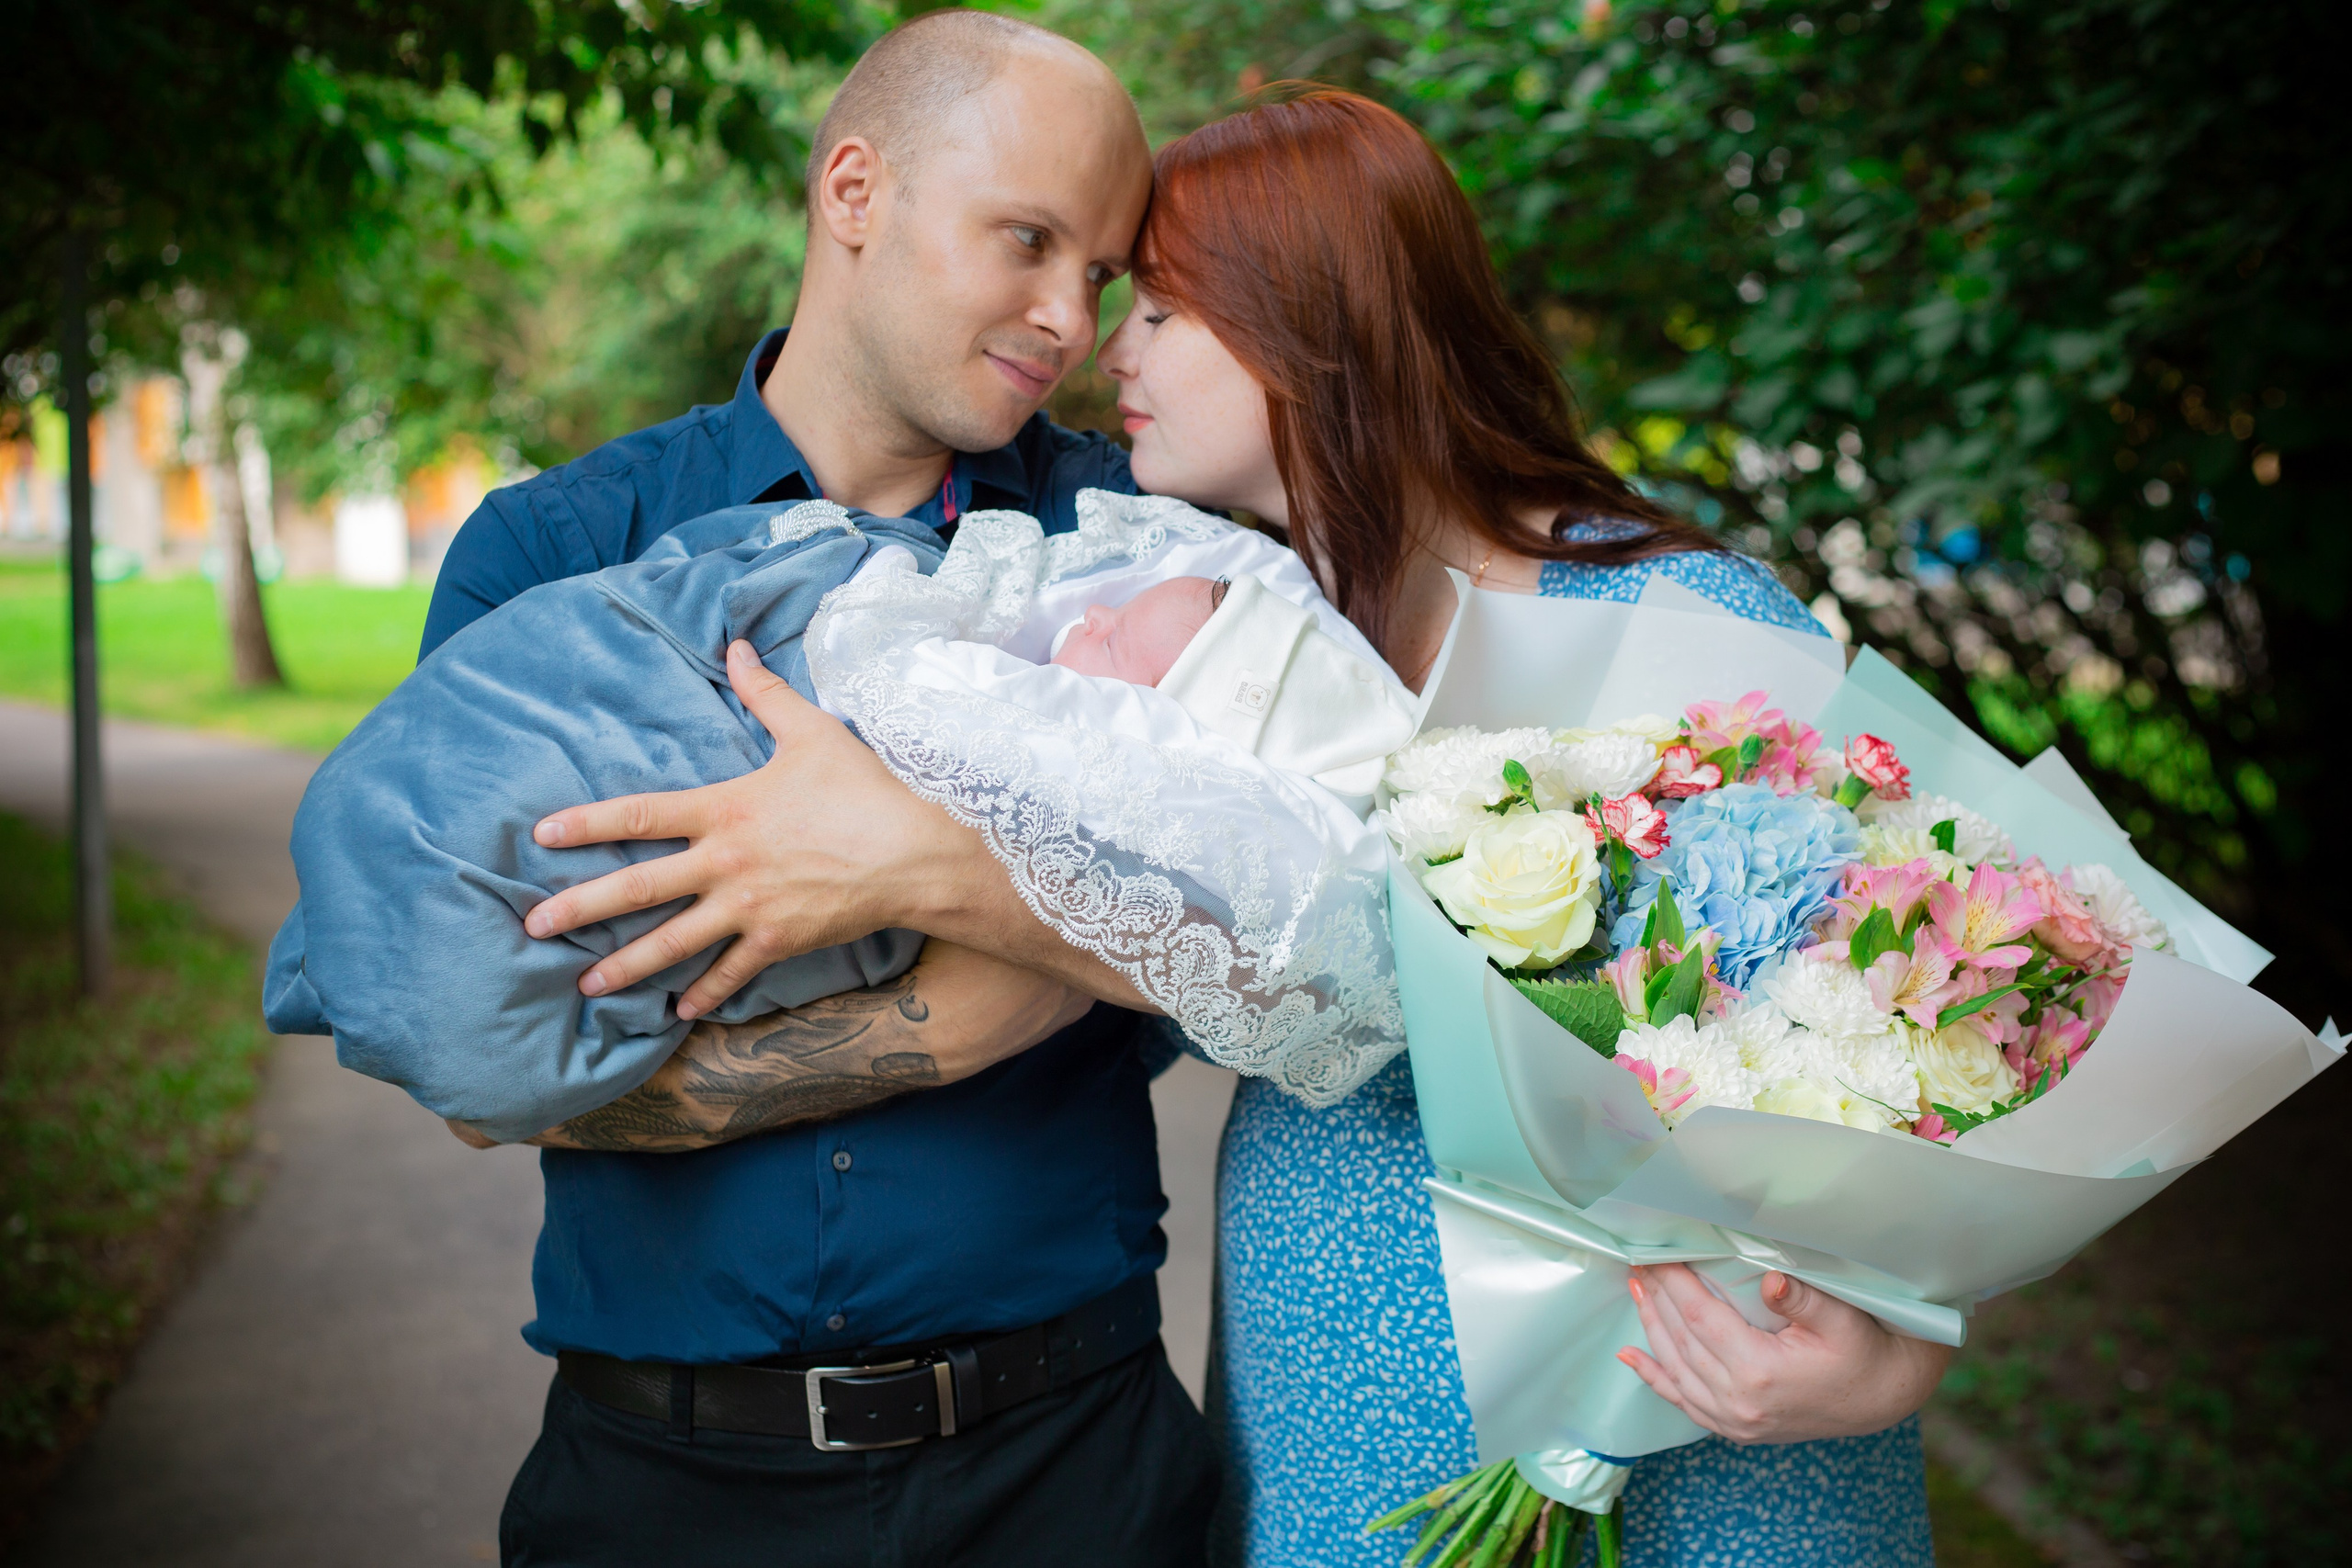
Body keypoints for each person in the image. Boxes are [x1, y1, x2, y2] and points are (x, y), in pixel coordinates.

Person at [531, 90, 1948, 1566]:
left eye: (1159, 308)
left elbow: (1934, 1007)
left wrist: (1902, 1346)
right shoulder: (1224, 642)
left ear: (1308, 325)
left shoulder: (1669, 615)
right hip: (1335, 1405)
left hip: (1694, 1415)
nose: (1108, 347)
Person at [415, 14, 1222, 1566]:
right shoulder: (552, 557)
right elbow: (472, 1068)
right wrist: (977, 1003)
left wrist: (905, 868)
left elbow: (1243, 943)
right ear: (855, 191)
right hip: (661, 1490)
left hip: (1074, 1472)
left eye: (1104, 274)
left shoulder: (1140, 552)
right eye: (1029, 241)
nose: (1072, 319)